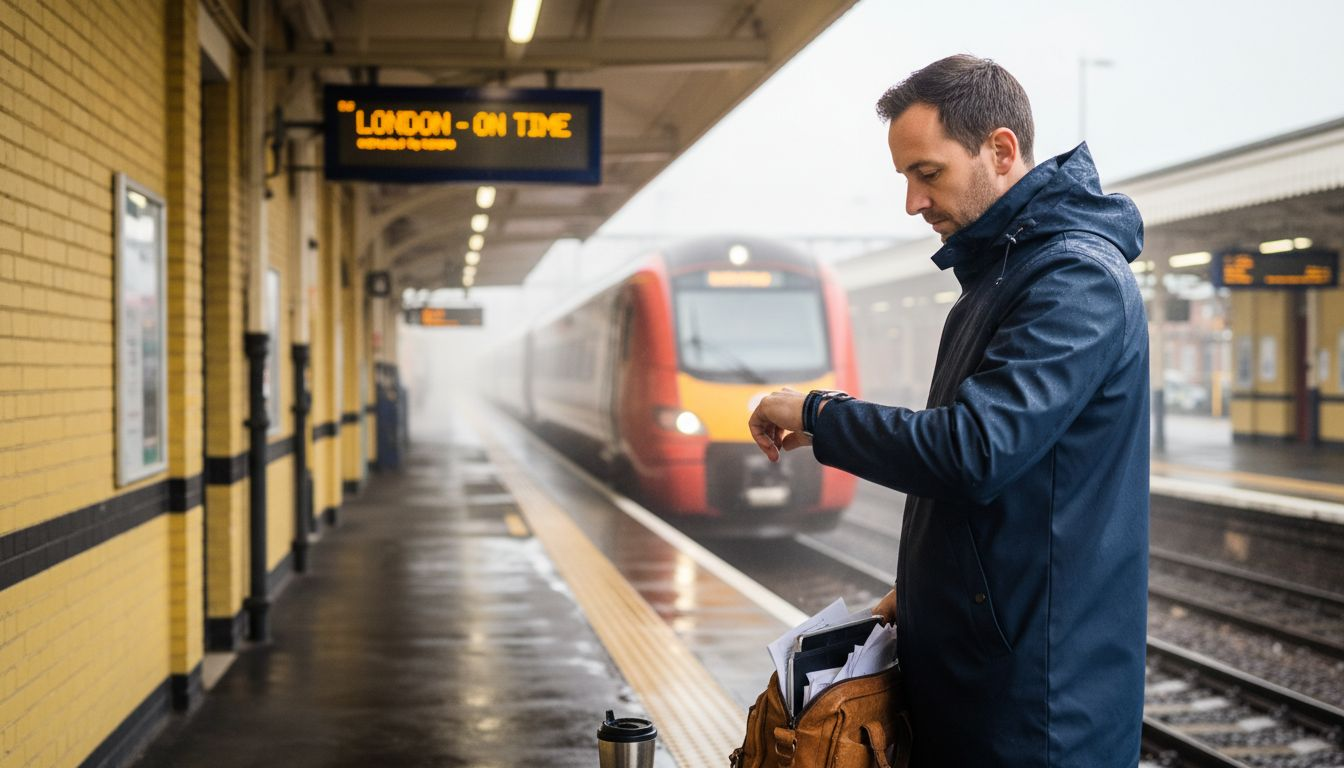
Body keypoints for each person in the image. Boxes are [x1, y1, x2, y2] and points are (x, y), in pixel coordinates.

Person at [747, 54, 1148, 767]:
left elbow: (973, 450)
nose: (912, 201)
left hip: (1039, 706)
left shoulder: (1074, 279)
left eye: (927, 173)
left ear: (1001, 150)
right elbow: (1002, 483)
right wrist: (923, 591)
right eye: (905, 177)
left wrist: (818, 414)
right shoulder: (1002, 274)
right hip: (986, 675)